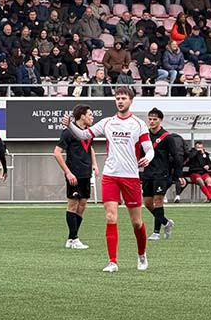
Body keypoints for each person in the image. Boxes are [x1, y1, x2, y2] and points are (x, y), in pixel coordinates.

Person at [62, 87, 154, 272]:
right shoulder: (107, 123)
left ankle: (142, 255)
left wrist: (148, 158)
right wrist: (70, 125)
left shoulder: (139, 124)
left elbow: (149, 148)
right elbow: (83, 134)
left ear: (131, 101)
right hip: (110, 176)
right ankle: (113, 261)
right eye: (117, 98)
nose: (120, 101)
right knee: (111, 217)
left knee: (136, 222)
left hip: (130, 177)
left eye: (123, 98)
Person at [53, 104, 97, 249]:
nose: (92, 117)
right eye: (90, 114)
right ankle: (74, 238)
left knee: (82, 204)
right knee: (72, 205)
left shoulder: (88, 132)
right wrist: (68, 172)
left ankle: (71, 239)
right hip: (74, 174)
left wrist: (95, 164)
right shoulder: (68, 133)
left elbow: (90, 148)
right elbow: (57, 153)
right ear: (82, 116)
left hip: (86, 173)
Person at [141, 108, 182, 241]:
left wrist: (178, 175)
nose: (152, 122)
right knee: (147, 203)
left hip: (161, 173)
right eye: (150, 119)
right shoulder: (145, 135)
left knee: (158, 201)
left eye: (155, 119)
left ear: (160, 120)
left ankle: (156, 232)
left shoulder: (167, 137)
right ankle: (166, 222)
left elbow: (176, 156)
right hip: (148, 172)